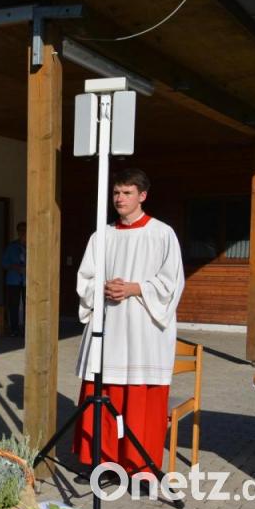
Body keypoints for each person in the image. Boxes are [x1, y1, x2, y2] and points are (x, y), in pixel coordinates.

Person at [72, 169, 185, 477]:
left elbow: (172, 283)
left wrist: (135, 288)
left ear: (143, 196)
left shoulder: (162, 234)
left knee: (140, 402)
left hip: (144, 334)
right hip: (109, 331)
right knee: (104, 396)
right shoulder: (102, 235)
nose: (120, 199)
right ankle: (105, 464)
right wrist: (104, 287)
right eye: (117, 193)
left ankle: (140, 467)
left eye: (127, 193)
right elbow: (85, 279)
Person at [1, 222, 27, 336]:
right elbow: (4, 263)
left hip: (28, 280)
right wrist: (14, 266)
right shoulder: (12, 246)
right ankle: (14, 329)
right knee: (13, 305)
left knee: (29, 305)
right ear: (17, 231)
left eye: (25, 230)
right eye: (20, 230)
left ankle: (28, 329)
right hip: (13, 280)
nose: (23, 232)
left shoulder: (32, 245)